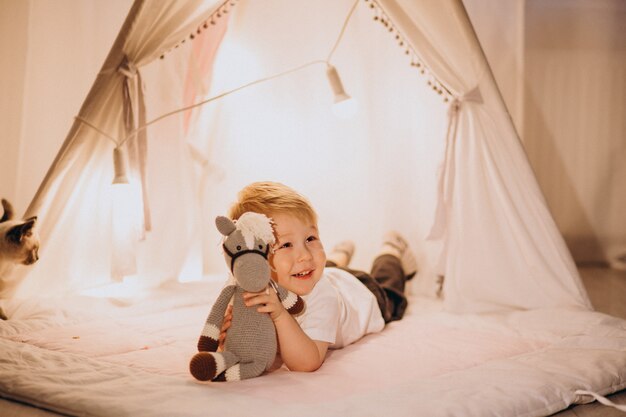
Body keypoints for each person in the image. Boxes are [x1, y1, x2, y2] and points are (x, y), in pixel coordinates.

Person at [221, 181, 417, 372]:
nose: (305, 254)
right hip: (321, 275)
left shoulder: (323, 296)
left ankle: (391, 250)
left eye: (310, 238)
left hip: (362, 293)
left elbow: (307, 362)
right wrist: (227, 338)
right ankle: (340, 254)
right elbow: (248, 346)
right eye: (286, 245)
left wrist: (280, 315)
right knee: (315, 265)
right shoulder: (245, 289)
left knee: (388, 284)